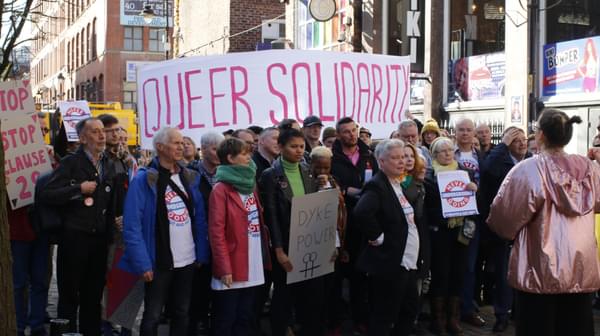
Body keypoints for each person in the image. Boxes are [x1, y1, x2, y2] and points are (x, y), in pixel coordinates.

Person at [487, 109, 600, 336]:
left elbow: (503, 220)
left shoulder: (529, 170)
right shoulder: (591, 170)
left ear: (540, 135)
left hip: (538, 272)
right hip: (580, 270)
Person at [119, 127, 210, 336]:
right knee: (152, 315)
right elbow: (132, 226)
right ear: (160, 147)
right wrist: (142, 263)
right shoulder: (143, 180)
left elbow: (200, 220)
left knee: (181, 312)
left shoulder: (189, 177)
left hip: (187, 259)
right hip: (158, 261)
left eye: (183, 143)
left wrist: (201, 253)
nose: (182, 146)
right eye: (176, 143)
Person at [40, 117, 117, 335]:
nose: (101, 135)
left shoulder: (108, 164)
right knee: (69, 296)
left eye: (102, 131)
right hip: (74, 239)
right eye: (94, 132)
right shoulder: (70, 163)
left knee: (93, 297)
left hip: (99, 240)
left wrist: (111, 229)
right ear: (82, 138)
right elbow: (48, 194)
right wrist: (78, 189)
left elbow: (111, 203)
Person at [353, 139, 429, 336]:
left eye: (403, 157)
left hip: (407, 262)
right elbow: (362, 212)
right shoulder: (377, 186)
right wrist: (378, 237)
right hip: (391, 264)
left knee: (409, 310)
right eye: (395, 158)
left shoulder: (397, 184)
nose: (401, 161)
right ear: (381, 161)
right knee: (385, 315)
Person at [259, 128, 323, 336]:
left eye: (301, 147)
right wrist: (278, 250)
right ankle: (281, 328)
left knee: (310, 294)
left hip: (308, 243)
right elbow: (271, 217)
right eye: (293, 146)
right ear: (280, 147)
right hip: (285, 243)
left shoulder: (308, 170)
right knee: (283, 294)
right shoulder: (270, 175)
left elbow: (315, 210)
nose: (298, 151)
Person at [208, 137, 271, 336]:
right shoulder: (220, 189)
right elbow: (216, 232)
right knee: (227, 318)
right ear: (230, 158)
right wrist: (224, 267)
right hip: (233, 264)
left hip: (253, 262)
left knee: (245, 316)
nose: (248, 157)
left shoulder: (250, 183)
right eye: (243, 154)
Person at [425, 137, 478, 336]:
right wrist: (444, 215)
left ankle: (453, 319)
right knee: (441, 274)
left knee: (458, 274)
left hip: (461, 233)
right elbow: (427, 208)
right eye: (442, 151)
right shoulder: (429, 176)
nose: (447, 153)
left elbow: (476, 205)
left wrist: (475, 191)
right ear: (434, 155)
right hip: (440, 233)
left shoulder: (467, 173)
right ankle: (437, 320)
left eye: (450, 150)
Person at [480, 126, 530, 332]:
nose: (522, 143)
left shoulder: (532, 160)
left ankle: (521, 313)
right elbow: (488, 170)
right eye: (516, 140)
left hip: (529, 226)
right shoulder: (499, 159)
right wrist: (502, 145)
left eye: (524, 139)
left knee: (527, 271)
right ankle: (502, 314)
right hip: (506, 227)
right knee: (504, 272)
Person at [331, 117, 378, 334]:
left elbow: (378, 181)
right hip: (340, 222)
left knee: (361, 274)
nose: (352, 135)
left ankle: (362, 317)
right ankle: (336, 319)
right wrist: (345, 191)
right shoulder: (331, 157)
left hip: (363, 221)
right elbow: (326, 183)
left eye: (354, 130)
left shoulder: (369, 155)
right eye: (346, 132)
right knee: (336, 275)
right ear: (339, 134)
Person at [187, 131, 224, 335]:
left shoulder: (227, 174)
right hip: (198, 240)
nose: (218, 153)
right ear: (203, 149)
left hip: (220, 241)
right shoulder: (190, 174)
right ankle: (198, 325)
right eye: (214, 148)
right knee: (199, 289)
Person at [310, 146, 348, 335]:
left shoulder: (334, 182)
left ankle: (334, 323)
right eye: (319, 168)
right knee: (317, 291)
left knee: (334, 286)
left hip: (335, 242)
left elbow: (341, 213)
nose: (323, 172)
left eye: (326, 168)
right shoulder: (308, 184)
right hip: (313, 244)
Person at [453, 118, 485, 328]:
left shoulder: (481, 157)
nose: (465, 133)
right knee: (449, 266)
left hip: (472, 219)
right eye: (461, 130)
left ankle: (466, 308)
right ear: (455, 132)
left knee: (469, 266)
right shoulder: (447, 152)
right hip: (451, 218)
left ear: (474, 133)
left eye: (468, 130)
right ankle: (450, 311)